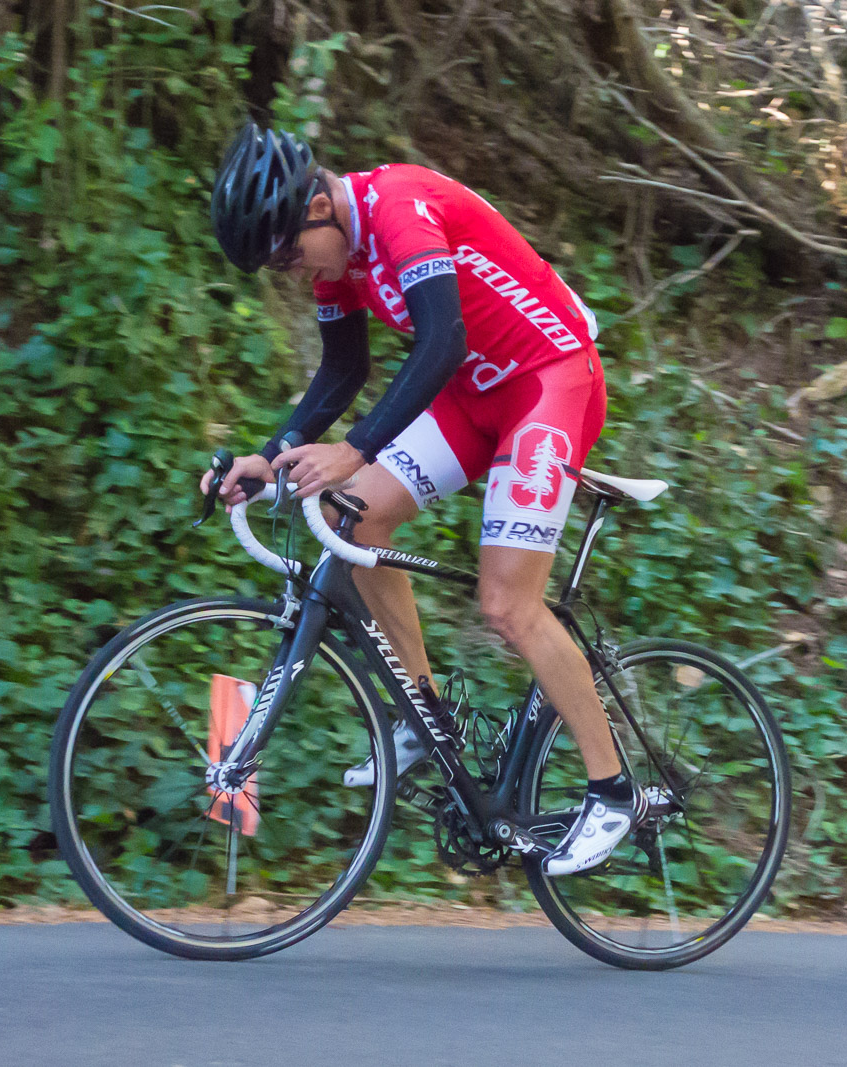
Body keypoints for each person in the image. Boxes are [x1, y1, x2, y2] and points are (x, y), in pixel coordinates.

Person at [201, 121, 637, 876]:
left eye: (287, 256)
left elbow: (442, 342)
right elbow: (341, 372)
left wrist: (355, 448)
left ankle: (614, 791)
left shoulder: (399, 208)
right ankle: (425, 715)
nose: (292, 274)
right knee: (349, 517)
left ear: (317, 207)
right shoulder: (340, 255)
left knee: (508, 604)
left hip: (548, 380)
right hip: (475, 396)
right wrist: (267, 459)